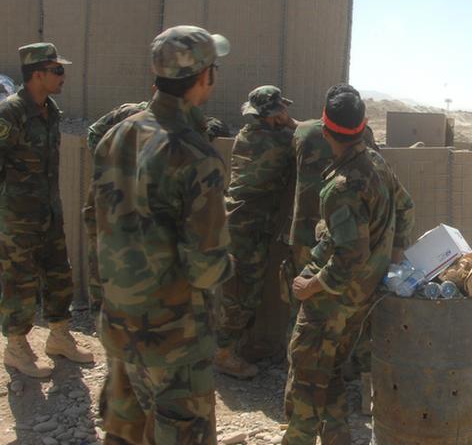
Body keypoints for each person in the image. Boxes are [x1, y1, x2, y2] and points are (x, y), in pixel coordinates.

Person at [92, 25, 234, 444]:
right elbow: (206, 269)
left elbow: (92, 222)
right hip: (174, 339)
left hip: (120, 322)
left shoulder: (116, 136)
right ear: (204, 76)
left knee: (123, 432)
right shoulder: (195, 155)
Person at [284, 84, 414, 445]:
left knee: (307, 373)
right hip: (362, 295)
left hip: (332, 299)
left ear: (325, 131)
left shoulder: (342, 187)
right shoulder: (376, 162)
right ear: (364, 125)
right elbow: (406, 206)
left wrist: (310, 286)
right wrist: (394, 253)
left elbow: (348, 257)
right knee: (332, 368)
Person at [83, 95, 229, 311]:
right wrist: (114, 164)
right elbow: (94, 134)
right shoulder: (129, 114)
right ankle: (102, 310)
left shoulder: (185, 128)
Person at [0, 42, 93, 378]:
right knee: (19, 282)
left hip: (49, 212)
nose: (63, 76)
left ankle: (59, 337)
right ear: (37, 74)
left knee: (58, 273)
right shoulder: (10, 113)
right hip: (17, 217)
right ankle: (16, 348)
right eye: (57, 70)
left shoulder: (51, 111)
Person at [215, 85, 295, 379]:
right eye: (281, 110)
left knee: (245, 289)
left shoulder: (247, 136)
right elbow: (311, 138)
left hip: (244, 224)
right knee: (240, 294)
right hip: (246, 229)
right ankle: (223, 353)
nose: (286, 114)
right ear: (272, 114)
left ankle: (236, 346)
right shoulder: (276, 143)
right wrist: (289, 123)